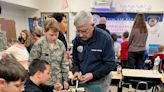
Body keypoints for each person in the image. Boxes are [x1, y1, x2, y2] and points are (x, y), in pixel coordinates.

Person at [72, 10, 116, 92]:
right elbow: (75, 60)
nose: (81, 35)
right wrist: (76, 71)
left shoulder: (105, 38)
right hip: (82, 81)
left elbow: (111, 64)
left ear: (92, 25)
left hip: (100, 82)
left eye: (84, 31)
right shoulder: (78, 39)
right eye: (78, 31)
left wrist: (93, 75)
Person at [29, 18, 69, 89]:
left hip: (58, 82)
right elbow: (32, 64)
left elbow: (64, 63)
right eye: (51, 35)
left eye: (56, 35)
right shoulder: (39, 44)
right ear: (45, 32)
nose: (54, 37)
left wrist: (66, 80)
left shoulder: (60, 44)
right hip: (44, 84)